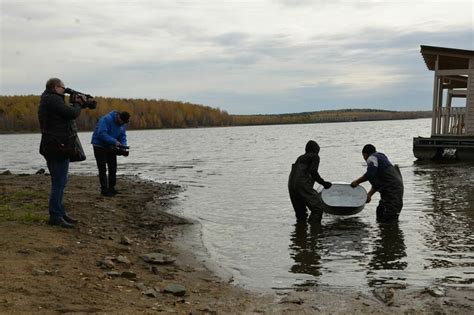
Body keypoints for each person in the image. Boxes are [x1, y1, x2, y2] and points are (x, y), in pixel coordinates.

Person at [38, 78, 85, 228]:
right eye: (63, 89)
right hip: (57, 146)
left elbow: (64, 115)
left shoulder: (47, 99)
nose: (64, 91)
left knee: (60, 181)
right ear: (56, 87)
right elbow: (71, 113)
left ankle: (59, 212)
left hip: (53, 145)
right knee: (59, 182)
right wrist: (78, 104)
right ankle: (56, 216)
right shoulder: (52, 99)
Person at [351, 144, 404, 223]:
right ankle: (384, 230)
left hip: (392, 190)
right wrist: (369, 195)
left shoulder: (372, 158)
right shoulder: (381, 158)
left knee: (390, 217)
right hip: (393, 188)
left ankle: (390, 232)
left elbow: (370, 174)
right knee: (380, 212)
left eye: (363, 156)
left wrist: (357, 182)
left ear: (365, 154)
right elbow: (378, 182)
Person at [288, 140, 332, 224]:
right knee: (317, 208)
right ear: (315, 150)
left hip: (291, 185)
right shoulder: (315, 156)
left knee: (301, 214)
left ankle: (300, 233)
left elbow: (305, 173)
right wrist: (324, 183)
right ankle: (315, 233)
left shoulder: (300, 158)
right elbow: (313, 171)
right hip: (301, 184)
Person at [91, 111, 130, 196]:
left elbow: (122, 136)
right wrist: (114, 141)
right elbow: (101, 133)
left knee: (113, 167)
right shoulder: (106, 119)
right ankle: (104, 190)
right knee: (102, 168)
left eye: (124, 122)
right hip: (99, 145)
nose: (122, 124)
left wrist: (123, 146)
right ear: (118, 117)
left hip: (111, 146)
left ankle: (112, 188)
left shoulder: (123, 124)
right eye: (122, 122)